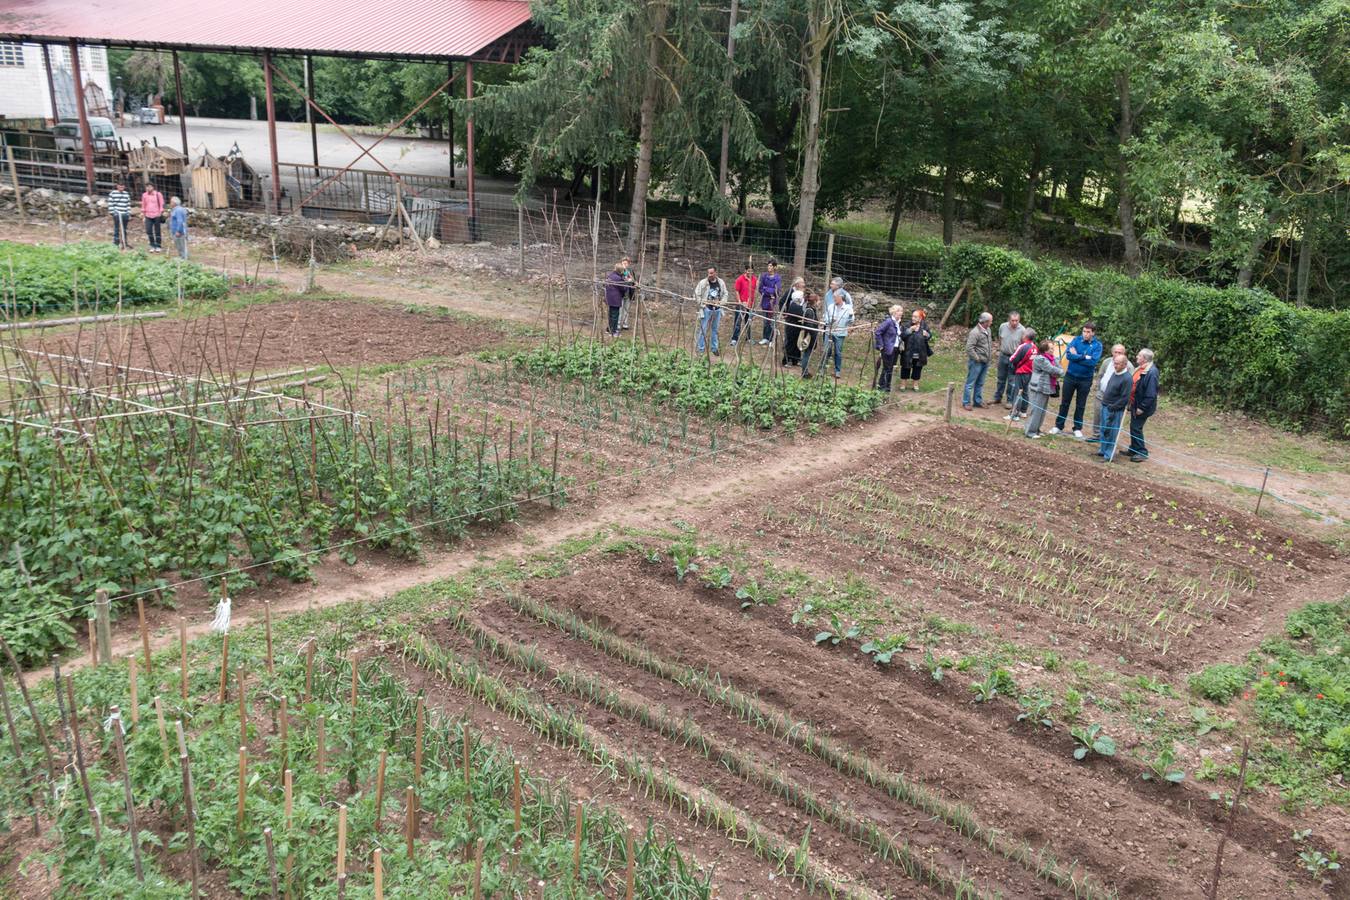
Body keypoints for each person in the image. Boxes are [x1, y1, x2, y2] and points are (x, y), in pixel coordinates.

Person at [1051, 322, 1102, 438]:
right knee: (1065, 402)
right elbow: (1069, 356)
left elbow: (1093, 362)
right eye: (1084, 331)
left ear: (1093, 333)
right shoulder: (1076, 340)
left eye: (1088, 332)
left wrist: (1077, 356)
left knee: (1081, 404)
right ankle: (1059, 425)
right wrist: (1084, 357)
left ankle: (1077, 428)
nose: (1085, 334)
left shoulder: (1097, 345)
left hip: (1085, 379)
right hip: (1070, 376)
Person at [1095, 347, 1132, 462]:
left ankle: (1108, 454)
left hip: (1114, 410)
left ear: (1124, 365)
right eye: (1114, 363)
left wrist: (1113, 407)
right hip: (1105, 405)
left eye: (1117, 364)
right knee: (1103, 429)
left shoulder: (1127, 378)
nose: (1115, 365)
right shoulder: (1114, 373)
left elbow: (1124, 398)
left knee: (1111, 432)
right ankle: (1102, 450)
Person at [1023, 340, 1065, 438]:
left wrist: (1058, 367)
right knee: (1036, 410)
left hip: (1046, 387)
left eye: (1053, 348)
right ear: (1045, 350)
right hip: (1038, 387)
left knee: (1042, 410)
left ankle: (1036, 429)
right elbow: (1052, 369)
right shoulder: (1040, 359)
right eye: (1051, 348)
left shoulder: (1051, 358)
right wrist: (1061, 372)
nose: (1053, 350)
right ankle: (1030, 432)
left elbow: (1058, 368)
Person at [1125, 348, 1159, 462]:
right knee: (1133, 426)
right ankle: (1134, 449)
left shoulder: (1152, 372)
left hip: (1142, 406)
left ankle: (1141, 452)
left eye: (1139, 356)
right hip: (1135, 403)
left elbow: (1151, 394)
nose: (1136, 357)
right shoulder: (1140, 368)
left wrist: (1142, 407)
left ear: (1144, 359)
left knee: (1136, 427)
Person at [818, 278, 854, 379]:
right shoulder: (830, 304)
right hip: (829, 330)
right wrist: (829, 321)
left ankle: (837, 371)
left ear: (841, 298)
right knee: (826, 350)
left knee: (838, 352)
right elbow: (826, 315)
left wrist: (850, 318)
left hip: (840, 331)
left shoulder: (847, 303)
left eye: (833, 284)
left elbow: (850, 319)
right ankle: (822, 369)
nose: (830, 285)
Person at [694, 266, 728, 356]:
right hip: (706, 309)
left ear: (715, 273)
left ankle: (714, 348)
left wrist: (721, 303)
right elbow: (697, 294)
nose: (710, 275)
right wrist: (702, 304)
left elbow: (725, 294)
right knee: (703, 329)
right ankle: (701, 349)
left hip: (717, 309)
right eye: (708, 273)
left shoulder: (721, 282)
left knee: (715, 330)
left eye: (712, 273)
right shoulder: (703, 283)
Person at [962, 312, 993, 410]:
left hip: (985, 361)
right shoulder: (975, 332)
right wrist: (977, 358)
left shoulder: (988, 330)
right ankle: (966, 402)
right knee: (970, 383)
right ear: (986, 322)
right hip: (977, 362)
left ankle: (977, 401)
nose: (992, 322)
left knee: (980, 383)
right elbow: (969, 348)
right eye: (991, 321)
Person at [1004, 329, 1038, 420]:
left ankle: (1014, 414)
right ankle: (1023, 411)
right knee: (1025, 392)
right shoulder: (1034, 347)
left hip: (1021, 372)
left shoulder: (1023, 346)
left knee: (1017, 392)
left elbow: (1013, 358)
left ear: (1025, 336)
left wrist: (1012, 362)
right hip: (1029, 372)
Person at [994, 311, 1025, 407]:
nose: (1015, 322)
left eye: (1017, 320)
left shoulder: (1022, 330)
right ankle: (997, 398)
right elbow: (1000, 339)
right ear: (1009, 320)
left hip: (1014, 358)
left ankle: (1009, 400)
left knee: (1012, 380)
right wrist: (1000, 350)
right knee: (1000, 378)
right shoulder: (1002, 326)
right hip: (1003, 355)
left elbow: (1023, 345)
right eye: (1013, 320)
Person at [899, 309, 932, 391]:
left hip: (920, 352)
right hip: (907, 352)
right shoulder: (907, 325)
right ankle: (903, 385)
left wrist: (927, 334)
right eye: (912, 316)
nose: (913, 318)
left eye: (915, 317)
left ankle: (915, 385)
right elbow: (902, 336)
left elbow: (929, 336)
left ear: (920, 318)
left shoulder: (924, 326)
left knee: (917, 369)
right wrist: (910, 330)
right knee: (905, 368)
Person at [873, 304, 903, 392]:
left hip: (895, 349)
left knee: (890, 367)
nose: (900, 313)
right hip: (888, 349)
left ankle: (885, 385)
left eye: (901, 311)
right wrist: (881, 346)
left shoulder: (898, 323)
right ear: (893, 312)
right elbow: (878, 332)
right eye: (898, 311)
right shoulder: (888, 322)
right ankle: (884, 386)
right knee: (887, 368)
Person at [780, 277, 806, 367]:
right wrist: (784, 313)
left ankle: (796, 359)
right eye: (802, 282)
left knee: (798, 340)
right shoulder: (790, 292)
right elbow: (782, 302)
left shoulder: (801, 295)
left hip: (798, 322)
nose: (804, 284)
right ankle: (787, 360)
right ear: (797, 284)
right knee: (790, 341)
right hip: (791, 320)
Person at [731, 264, 757, 347]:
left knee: (748, 322)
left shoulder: (754, 279)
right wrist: (739, 302)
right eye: (748, 270)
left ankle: (748, 338)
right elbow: (737, 291)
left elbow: (755, 291)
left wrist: (753, 304)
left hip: (750, 305)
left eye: (751, 271)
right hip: (741, 305)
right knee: (738, 322)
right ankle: (734, 339)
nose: (750, 272)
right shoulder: (740, 279)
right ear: (745, 270)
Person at [757, 260, 782, 345]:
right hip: (765, 301)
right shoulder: (764, 276)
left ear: (774, 267)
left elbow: (777, 290)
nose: (769, 267)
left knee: (771, 321)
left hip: (773, 302)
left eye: (771, 266)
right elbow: (760, 288)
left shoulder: (777, 278)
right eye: (768, 266)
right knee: (765, 320)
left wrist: (766, 289)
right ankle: (765, 337)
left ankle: (772, 339)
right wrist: (769, 291)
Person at [798, 291, 820, 377]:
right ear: (815, 301)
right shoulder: (810, 311)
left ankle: (805, 371)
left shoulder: (809, 309)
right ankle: (804, 373)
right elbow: (810, 326)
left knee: (807, 354)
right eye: (818, 301)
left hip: (809, 335)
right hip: (809, 336)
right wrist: (814, 337)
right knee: (807, 354)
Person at [603, 261, 626, 336]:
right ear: (620, 270)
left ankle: (609, 329)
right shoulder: (618, 278)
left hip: (609, 298)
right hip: (615, 299)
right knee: (615, 315)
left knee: (611, 314)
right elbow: (623, 289)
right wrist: (626, 282)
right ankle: (613, 332)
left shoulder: (610, 276)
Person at [141, 182, 165, 252]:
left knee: (157, 231)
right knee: (149, 231)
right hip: (148, 215)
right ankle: (152, 245)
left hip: (157, 215)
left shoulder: (158, 194)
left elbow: (161, 204)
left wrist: (160, 213)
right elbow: (143, 205)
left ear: (153, 187)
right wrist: (143, 214)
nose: (148, 188)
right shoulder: (144, 195)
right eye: (147, 187)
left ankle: (158, 246)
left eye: (150, 187)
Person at [108, 181, 132, 249]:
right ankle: (116, 242)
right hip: (117, 213)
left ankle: (124, 242)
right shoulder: (113, 193)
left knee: (124, 229)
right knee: (117, 228)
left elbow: (128, 204)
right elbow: (110, 203)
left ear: (124, 186)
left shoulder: (126, 194)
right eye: (120, 185)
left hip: (125, 213)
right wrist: (113, 213)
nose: (121, 187)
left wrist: (128, 213)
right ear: (117, 186)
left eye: (122, 186)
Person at [617, 256, 638, 330]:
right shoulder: (619, 270)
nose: (624, 265)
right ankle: (619, 324)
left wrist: (634, 282)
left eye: (626, 263)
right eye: (623, 263)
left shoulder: (630, 271)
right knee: (620, 308)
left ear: (629, 264)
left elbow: (634, 281)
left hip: (628, 293)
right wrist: (625, 280)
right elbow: (618, 280)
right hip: (621, 293)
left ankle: (625, 323)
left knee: (626, 309)